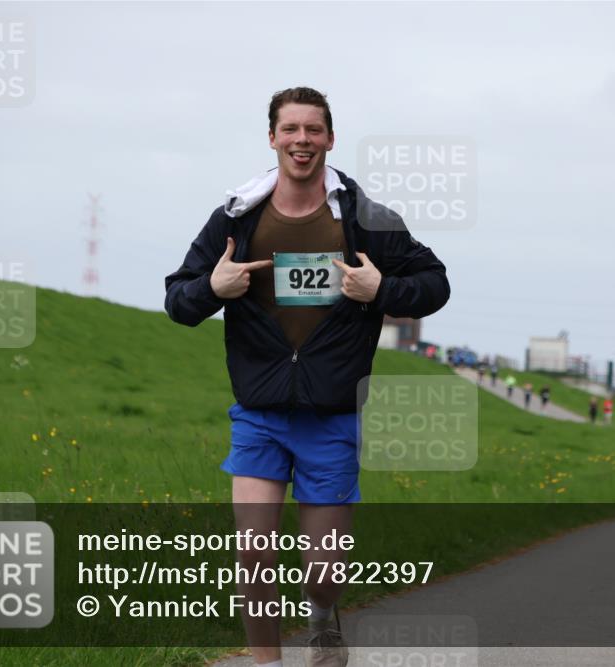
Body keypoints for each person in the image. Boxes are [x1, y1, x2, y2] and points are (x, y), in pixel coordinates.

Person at [164, 87, 450, 667]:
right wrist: (211, 291)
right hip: (259, 414)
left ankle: (323, 616)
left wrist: (384, 292)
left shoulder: (366, 219)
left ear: (330, 139)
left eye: (313, 130)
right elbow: (178, 298)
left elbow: (436, 282)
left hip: (331, 415)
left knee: (322, 570)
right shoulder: (235, 217)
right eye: (290, 130)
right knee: (253, 556)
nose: (302, 141)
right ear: (272, 138)